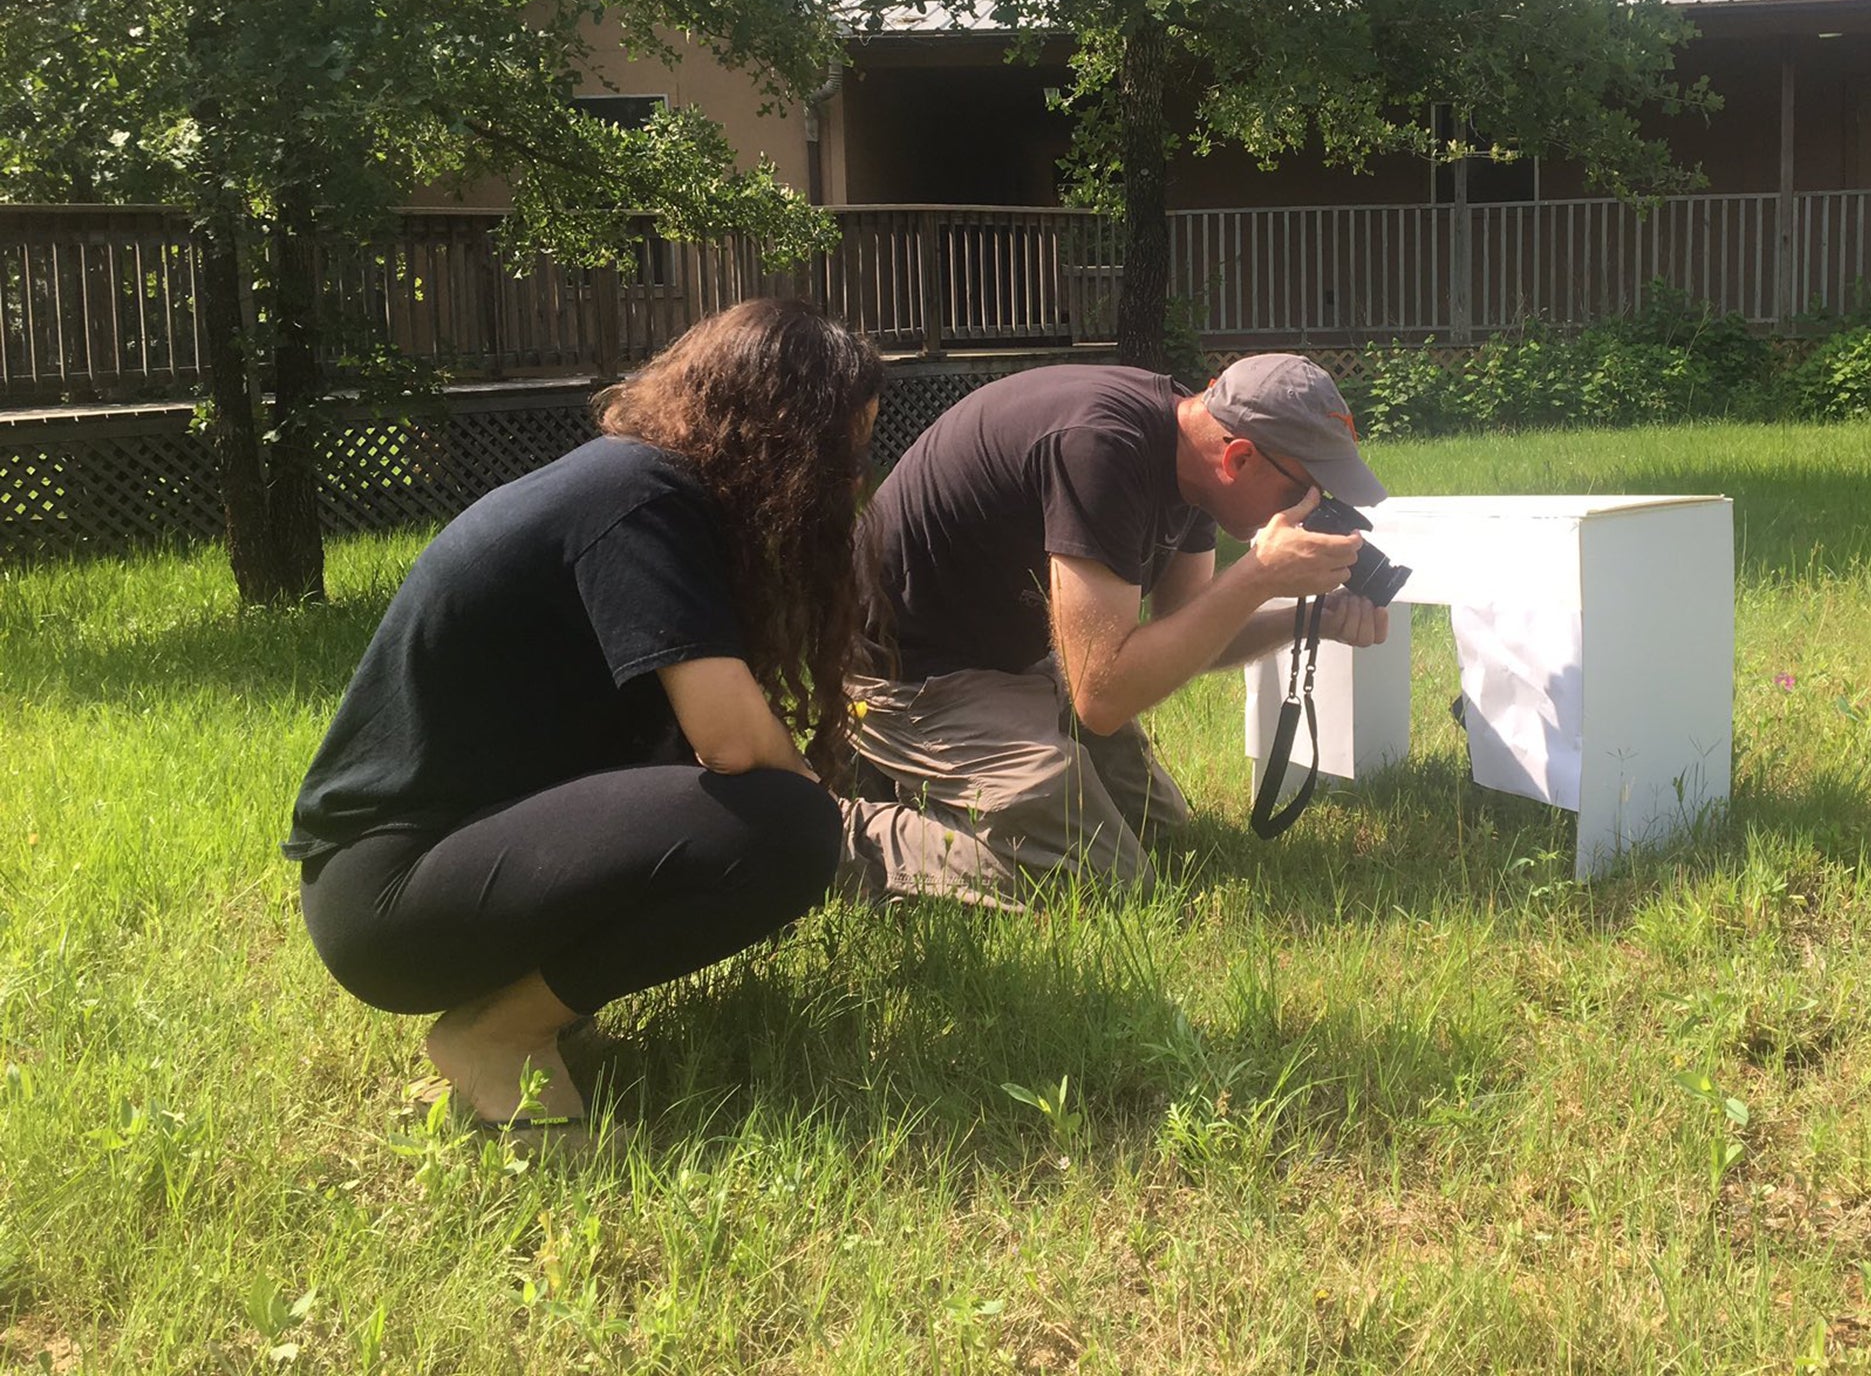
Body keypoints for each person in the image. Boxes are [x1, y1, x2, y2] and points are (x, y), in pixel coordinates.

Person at [286, 298, 884, 1126]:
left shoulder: (641, 489)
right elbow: (733, 741)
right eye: (839, 453)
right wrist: (819, 821)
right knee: (786, 828)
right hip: (389, 897)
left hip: (424, 871)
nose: (851, 482)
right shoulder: (639, 498)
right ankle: (499, 1037)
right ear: (782, 436)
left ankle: (529, 1015)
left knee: (753, 803)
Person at [841, 353, 1391, 907]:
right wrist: (1259, 575)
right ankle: (840, 830)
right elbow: (1101, 698)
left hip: (1008, 660)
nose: (1310, 511)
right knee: (1099, 877)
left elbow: (1191, 628)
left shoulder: (1198, 456)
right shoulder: (1101, 449)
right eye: (1304, 494)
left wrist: (1309, 620)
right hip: (904, 669)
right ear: (1240, 458)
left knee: (1164, 834)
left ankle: (946, 787)